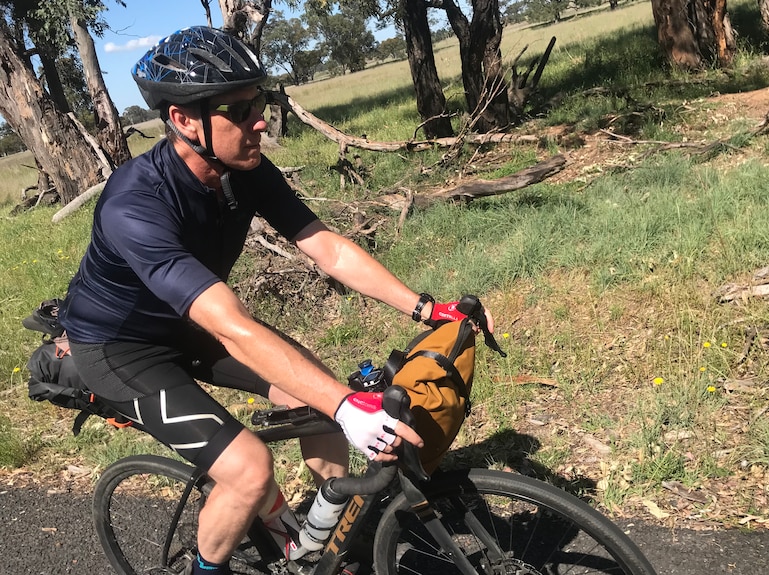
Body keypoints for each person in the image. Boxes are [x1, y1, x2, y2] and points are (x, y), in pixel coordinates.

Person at [59, 26, 492, 575]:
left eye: (259, 101)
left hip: (194, 325)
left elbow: (326, 248)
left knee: (317, 406)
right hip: (122, 348)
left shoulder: (246, 170)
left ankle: (321, 544)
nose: (259, 119)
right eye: (238, 110)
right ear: (183, 120)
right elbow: (233, 325)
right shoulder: (134, 205)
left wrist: (427, 309)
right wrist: (343, 402)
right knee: (250, 469)